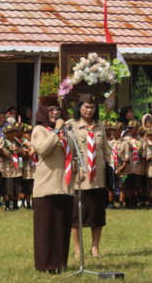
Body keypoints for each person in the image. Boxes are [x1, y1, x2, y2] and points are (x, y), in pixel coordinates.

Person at [32, 94, 76, 273]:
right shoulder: (39, 130)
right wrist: (56, 131)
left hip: (65, 185)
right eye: (50, 109)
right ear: (43, 111)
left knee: (61, 226)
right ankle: (45, 265)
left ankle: (60, 263)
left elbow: (72, 153)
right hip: (46, 186)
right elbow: (43, 149)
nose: (55, 112)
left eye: (57, 109)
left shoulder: (64, 130)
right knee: (46, 227)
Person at [67, 94, 112, 258]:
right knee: (76, 215)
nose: (89, 110)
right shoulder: (71, 126)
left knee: (97, 215)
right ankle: (77, 248)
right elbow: (68, 153)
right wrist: (75, 171)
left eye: (92, 107)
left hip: (98, 177)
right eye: (86, 107)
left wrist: (111, 174)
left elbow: (105, 152)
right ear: (79, 107)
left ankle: (95, 247)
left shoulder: (100, 126)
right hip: (80, 177)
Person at [0, 124, 23, 212]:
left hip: (17, 168)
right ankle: (7, 206)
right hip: (7, 169)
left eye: (13, 132)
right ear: (5, 134)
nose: (12, 133)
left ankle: (15, 205)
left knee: (16, 189)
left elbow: (22, 154)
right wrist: (4, 149)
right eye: (10, 132)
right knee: (8, 190)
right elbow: (6, 156)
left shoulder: (17, 142)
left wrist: (16, 150)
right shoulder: (2, 142)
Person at [117, 120, 143, 209]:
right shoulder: (125, 140)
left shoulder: (142, 140)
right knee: (127, 186)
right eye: (129, 128)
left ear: (137, 129)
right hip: (128, 166)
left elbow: (143, 156)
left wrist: (143, 168)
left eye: (132, 128)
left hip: (137, 166)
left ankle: (135, 203)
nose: (130, 130)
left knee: (136, 186)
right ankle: (127, 202)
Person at [106, 121, 123, 209]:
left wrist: (122, 166)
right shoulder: (110, 143)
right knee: (110, 185)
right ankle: (110, 203)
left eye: (115, 130)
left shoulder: (124, 142)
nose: (113, 132)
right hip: (111, 166)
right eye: (112, 130)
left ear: (120, 131)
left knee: (121, 186)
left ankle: (121, 204)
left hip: (120, 167)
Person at [21, 124, 37, 210]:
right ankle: (27, 204)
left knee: (35, 186)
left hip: (35, 167)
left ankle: (34, 204)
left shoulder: (36, 142)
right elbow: (24, 155)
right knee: (27, 188)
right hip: (27, 167)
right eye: (28, 133)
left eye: (31, 132)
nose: (30, 134)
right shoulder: (23, 143)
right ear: (24, 134)